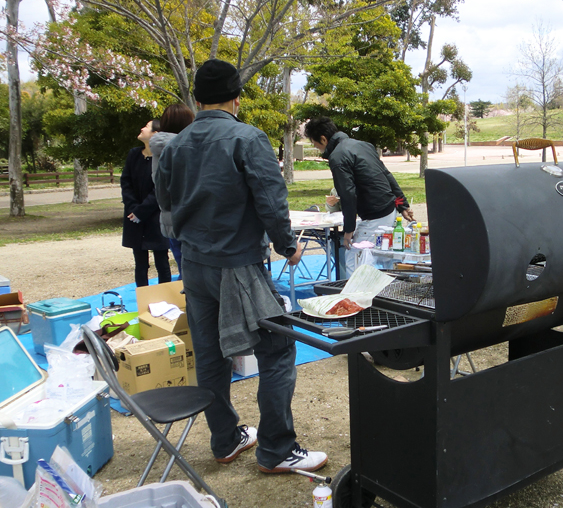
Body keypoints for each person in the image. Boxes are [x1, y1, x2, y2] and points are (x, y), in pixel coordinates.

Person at [155, 59, 328, 474]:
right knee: (278, 350)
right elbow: (271, 201)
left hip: (194, 265)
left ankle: (226, 439)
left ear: (196, 99)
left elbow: (165, 203)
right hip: (239, 264)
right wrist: (287, 246)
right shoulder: (247, 138)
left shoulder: (174, 145)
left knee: (211, 355)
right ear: (237, 97)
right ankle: (276, 448)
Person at [303, 117, 414, 276]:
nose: (318, 149)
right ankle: (379, 294)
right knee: (381, 258)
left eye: (316, 145)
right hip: (389, 209)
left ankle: (357, 299)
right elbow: (386, 175)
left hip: (375, 215)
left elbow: (348, 194)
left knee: (354, 259)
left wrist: (349, 230)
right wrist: (402, 205)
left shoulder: (337, 157)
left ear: (323, 139)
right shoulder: (364, 145)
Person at [121, 120, 172, 288]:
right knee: (140, 263)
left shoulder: (163, 157)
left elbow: (161, 188)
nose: (142, 128)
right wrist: (133, 208)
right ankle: (142, 300)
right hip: (134, 216)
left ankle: (165, 300)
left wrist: (142, 211)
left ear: (155, 134)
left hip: (155, 216)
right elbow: (126, 182)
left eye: (147, 127)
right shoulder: (134, 154)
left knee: (162, 262)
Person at [149, 103, 196, 280]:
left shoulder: (158, 148)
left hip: (170, 218)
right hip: (191, 219)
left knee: (184, 269)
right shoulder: (184, 147)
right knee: (195, 275)